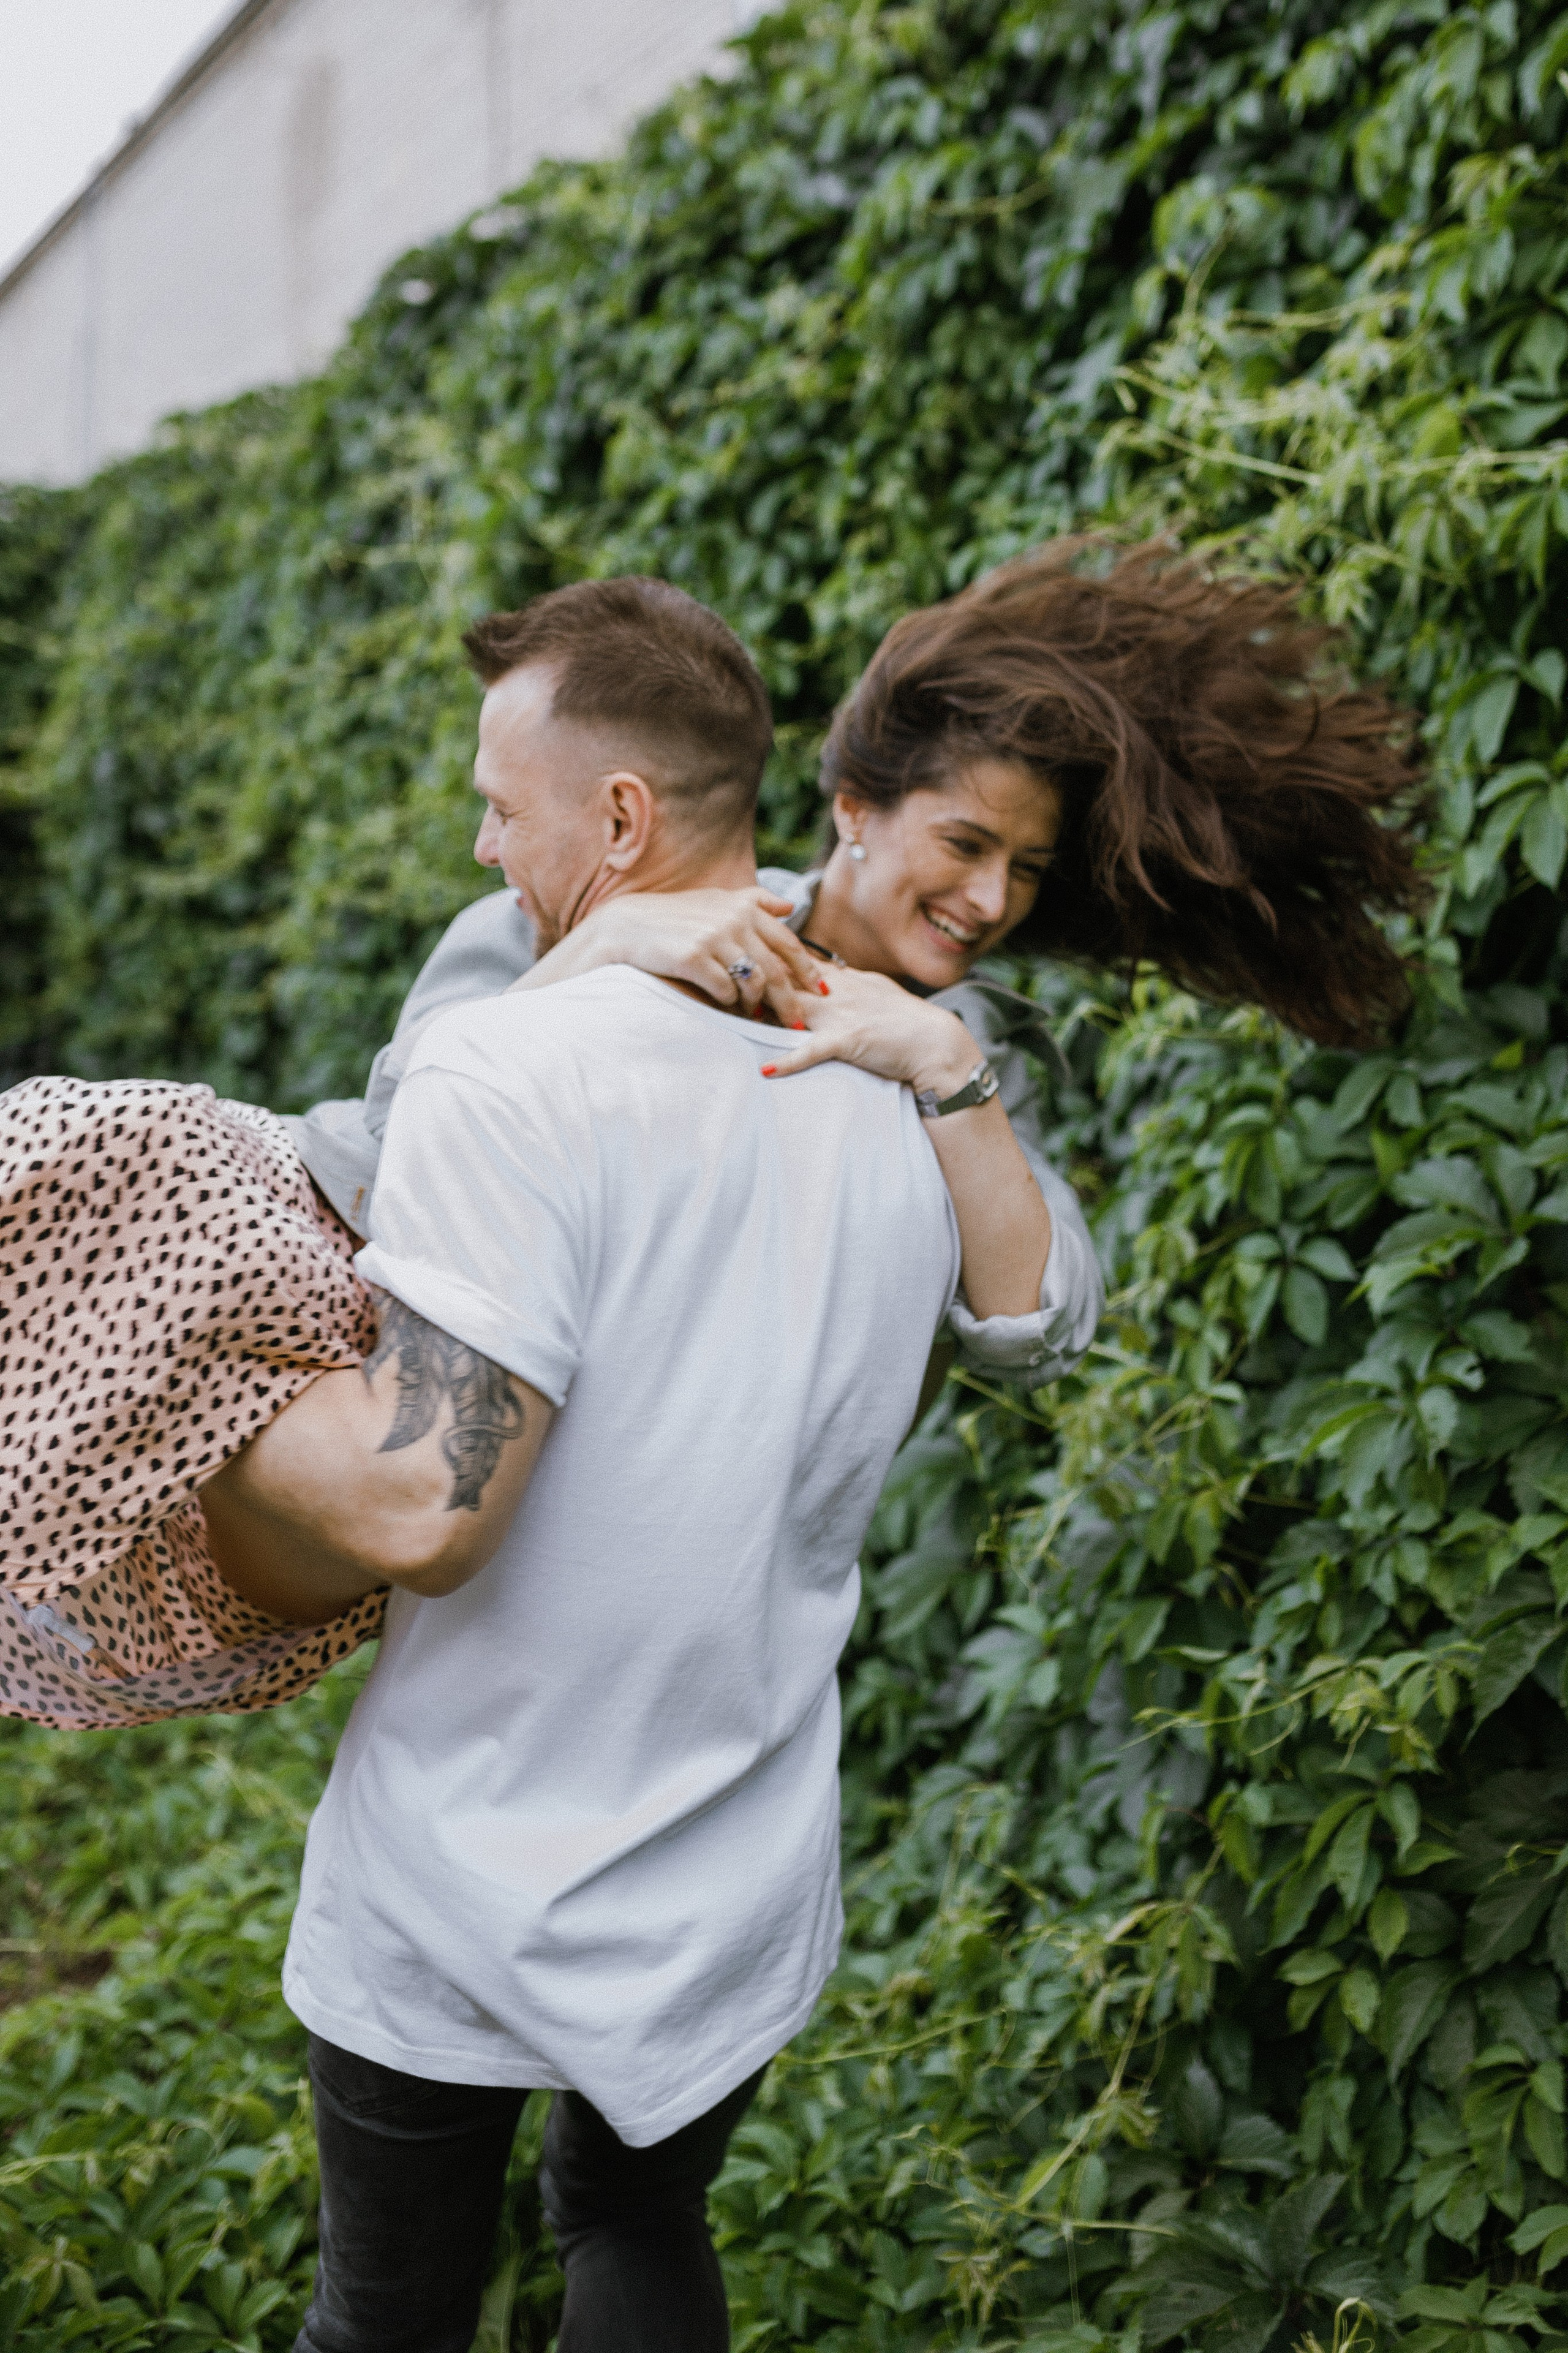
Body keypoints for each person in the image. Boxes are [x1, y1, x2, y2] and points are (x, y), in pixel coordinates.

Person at [192, 575, 1060, 2352]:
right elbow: (1036, 1302)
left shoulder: (535, 1070)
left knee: (389, 2314)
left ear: (619, 814)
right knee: (639, 2220)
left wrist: (178, 1404)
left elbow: (417, 1486)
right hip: (730, 1841)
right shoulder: (913, 1109)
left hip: (461, 1853)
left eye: (502, 809)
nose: (484, 844)